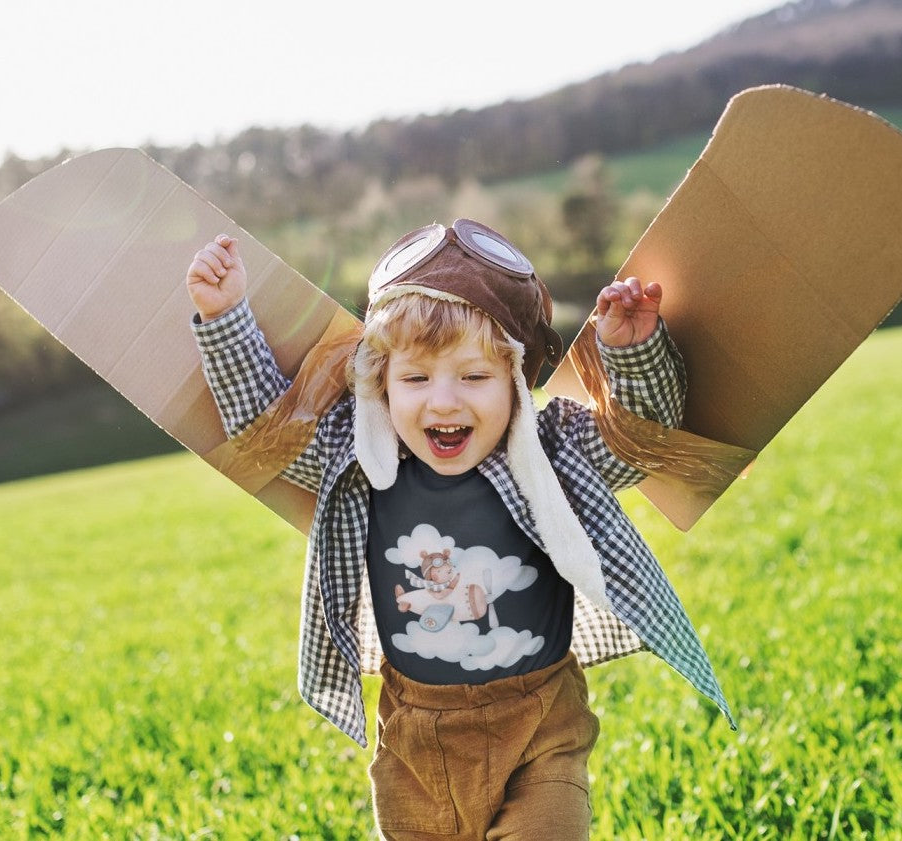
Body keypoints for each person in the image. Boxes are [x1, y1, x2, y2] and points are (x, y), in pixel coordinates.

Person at [186, 220, 732, 840]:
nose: (443, 403)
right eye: (416, 379)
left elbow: (638, 444)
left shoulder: (552, 451)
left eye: (473, 377)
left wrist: (631, 351)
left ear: (517, 381)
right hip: (416, 735)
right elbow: (272, 430)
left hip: (540, 723)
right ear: (380, 384)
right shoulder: (361, 459)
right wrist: (225, 316)